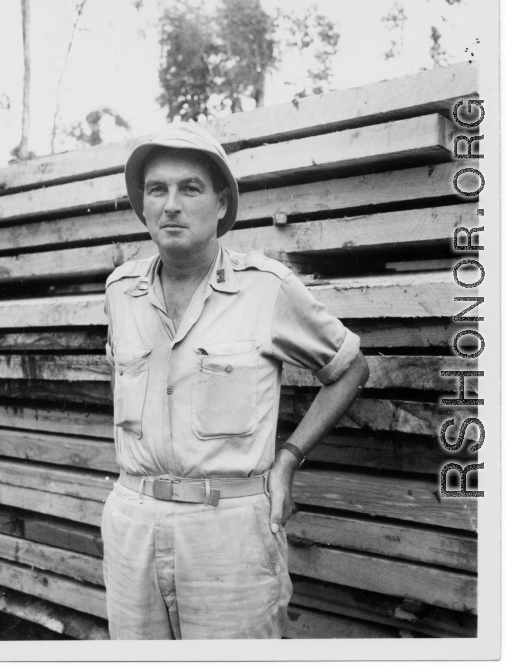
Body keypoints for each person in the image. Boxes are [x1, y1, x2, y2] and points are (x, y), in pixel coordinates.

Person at [101, 122, 370, 640]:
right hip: (132, 520)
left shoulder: (266, 289)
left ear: (222, 203)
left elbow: (348, 368)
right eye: (156, 189)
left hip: (229, 528)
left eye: (190, 188)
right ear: (142, 205)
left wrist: (289, 459)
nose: (171, 204)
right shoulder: (120, 291)